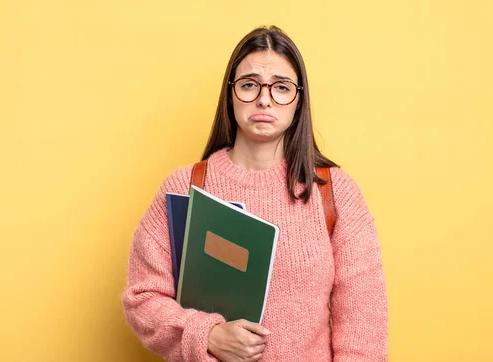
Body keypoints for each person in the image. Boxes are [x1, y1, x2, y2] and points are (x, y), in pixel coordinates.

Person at [122, 25, 388, 361]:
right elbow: (143, 297)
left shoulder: (335, 193)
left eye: (281, 87)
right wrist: (208, 335)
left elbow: (364, 328)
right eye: (249, 85)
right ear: (230, 94)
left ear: (298, 100)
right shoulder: (186, 187)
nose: (265, 98)